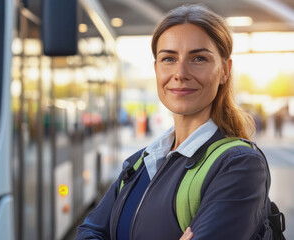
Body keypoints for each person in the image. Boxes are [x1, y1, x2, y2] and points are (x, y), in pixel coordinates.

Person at [75, 4, 272, 240]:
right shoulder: (140, 162)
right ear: (156, 69)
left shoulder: (239, 166)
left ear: (224, 71)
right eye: (168, 58)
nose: (180, 73)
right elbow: (89, 231)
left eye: (198, 58)